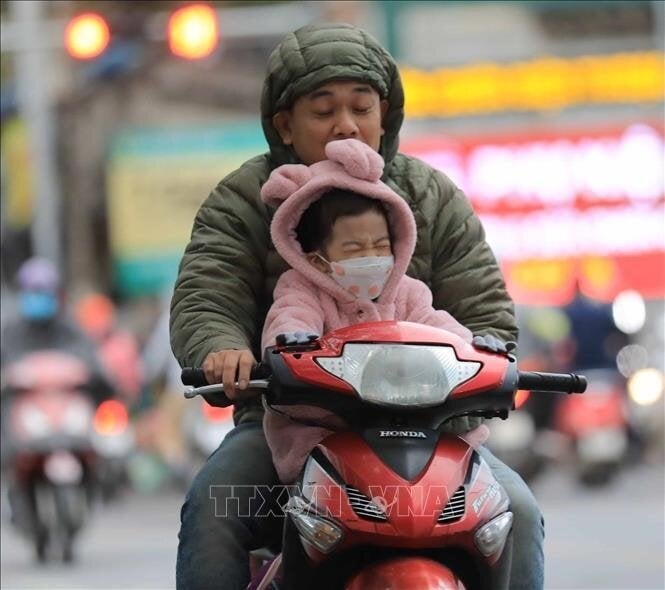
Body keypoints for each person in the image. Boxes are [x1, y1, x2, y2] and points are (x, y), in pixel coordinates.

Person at [171, 23, 542, 590]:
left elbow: (482, 309)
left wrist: (490, 356)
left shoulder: (431, 195)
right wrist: (222, 351)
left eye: (361, 107)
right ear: (284, 125)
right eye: (323, 110)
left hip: (431, 428)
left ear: (385, 114)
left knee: (517, 508)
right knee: (214, 509)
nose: (346, 124)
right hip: (288, 427)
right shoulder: (241, 199)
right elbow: (208, 291)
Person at [259, 138, 490, 483]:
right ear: (315, 259)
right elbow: (289, 320)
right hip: (325, 444)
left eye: (381, 246)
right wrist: (290, 347)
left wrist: (476, 351)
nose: (372, 257)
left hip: (418, 438)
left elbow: (438, 327)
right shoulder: (300, 289)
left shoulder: (407, 292)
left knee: (506, 508)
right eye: (354, 249)